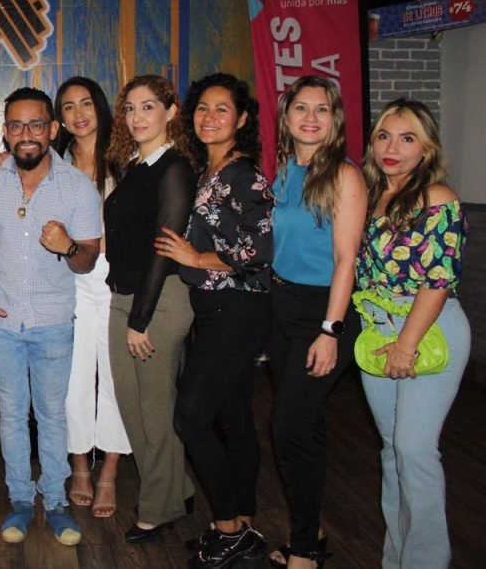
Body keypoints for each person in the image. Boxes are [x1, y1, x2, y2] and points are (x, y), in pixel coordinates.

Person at [0, 87, 102, 547]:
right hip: (1, 321)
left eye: (37, 124)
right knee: (10, 415)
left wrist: (68, 245)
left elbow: (87, 259)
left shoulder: (77, 187)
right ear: (5, 132)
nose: (27, 134)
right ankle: (21, 500)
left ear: (52, 129)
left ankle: (57, 502)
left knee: (52, 416)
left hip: (52, 321)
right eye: (17, 125)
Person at [156, 73, 273, 566]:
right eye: (203, 108)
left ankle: (228, 528)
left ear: (242, 119)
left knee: (191, 417)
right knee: (234, 419)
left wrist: (196, 257)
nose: (209, 117)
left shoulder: (244, 175)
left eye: (222, 109)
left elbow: (260, 249)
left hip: (238, 309)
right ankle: (243, 523)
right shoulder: (210, 170)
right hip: (217, 309)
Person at [356, 99, 469, 569]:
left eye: (407, 139)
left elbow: (438, 279)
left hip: (427, 328)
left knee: (414, 449)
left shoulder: (436, 196)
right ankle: (397, 559)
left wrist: (406, 344)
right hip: (376, 326)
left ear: (427, 149)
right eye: (384, 136)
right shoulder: (370, 195)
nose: (393, 148)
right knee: (392, 452)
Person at [267, 76, 366, 568]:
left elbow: (346, 260)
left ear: (335, 119)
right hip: (280, 306)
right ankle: (312, 530)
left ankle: (305, 548)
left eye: (321, 109)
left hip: (324, 311)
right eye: (300, 108)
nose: (310, 117)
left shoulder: (344, 176)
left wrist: (331, 331)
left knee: (288, 428)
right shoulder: (284, 170)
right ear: (286, 119)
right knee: (305, 426)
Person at [103, 75, 196, 544]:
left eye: (148, 107)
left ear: (171, 111)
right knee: (131, 407)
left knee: (155, 411)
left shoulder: (175, 168)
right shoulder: (136, 165)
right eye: (130, 108)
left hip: (158, 302)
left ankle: (159, 508)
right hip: (124, 298)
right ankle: (178, 488)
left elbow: (164, 248)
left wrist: (140, 319)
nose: (137, 117)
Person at [52, 76, 130, 519]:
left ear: (101, 107)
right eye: (68, 107)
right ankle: (80, 465)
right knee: (73, 378)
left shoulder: (127, 161)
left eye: (86, 103)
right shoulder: (54, 163)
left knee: (116, 378)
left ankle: (110, 470)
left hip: (117, 279)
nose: (78, 113)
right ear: (59, 118)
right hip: (69, 279)